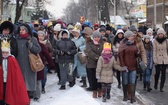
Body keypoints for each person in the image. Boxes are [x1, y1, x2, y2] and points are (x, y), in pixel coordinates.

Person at [0, 40, 29, 105]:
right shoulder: (1, 59)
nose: (5, 54)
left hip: (10, 80)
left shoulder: (12, 60)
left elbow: (16, 73)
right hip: (2, 80)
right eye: (3, 52)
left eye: (6, 52)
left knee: (9, 93)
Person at [16, 23, 41, 98]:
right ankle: (23, 95)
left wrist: (31, 45)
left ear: (27, 31)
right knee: (20, 80)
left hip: (30, 63)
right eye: (20, 29)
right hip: (19, 62)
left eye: (23, 30)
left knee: (30, 79)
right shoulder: (17, 39)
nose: (21, 31)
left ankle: (30, 93)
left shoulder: (33, 39)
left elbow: (38, 49)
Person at [118, 31, 139, 103]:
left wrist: (137, 52)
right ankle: (125, 95)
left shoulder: (134, 43)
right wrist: (123, 65)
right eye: (131, 36)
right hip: (125, 66)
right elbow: (120, 56)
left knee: (132, 82)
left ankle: (132, 96)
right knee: (125, 81)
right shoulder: (122, 44)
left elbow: (136, 55)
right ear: (127, 37)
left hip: (133, 65)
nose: (133, 37)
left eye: (133, 36)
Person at [86, 31, 104, 98]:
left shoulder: (103, 43)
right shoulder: (89, 43)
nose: (97, 38)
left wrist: (102, 57)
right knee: (93, 78)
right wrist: (98, 57)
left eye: (98, 37)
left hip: (101, 64)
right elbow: (89, 52)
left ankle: (100, 90)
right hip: (92, 63)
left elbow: (104, 51)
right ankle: (94, 91)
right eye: (95, 37)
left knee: (100, 78)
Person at [153, 28, 168, 92]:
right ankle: (156, 84)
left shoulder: (167, 41)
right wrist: (155, 60)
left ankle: (161, 87)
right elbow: (154, 51)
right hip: (158, 59)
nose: (161, 35)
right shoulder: (155, 41)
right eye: (159, 34)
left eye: (162, 34)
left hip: (165, 59)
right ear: (158, 34)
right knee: (157, 73)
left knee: (164, 74)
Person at [82, 27, 93, 91]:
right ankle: (90, 85)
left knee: (92, 73)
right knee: (88, 73)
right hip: (87, 58)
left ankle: (92, 86)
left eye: (86, 34)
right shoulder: (86, 40)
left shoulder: (91, 40)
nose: (85, 36)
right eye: (85, 34)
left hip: (92, 58)